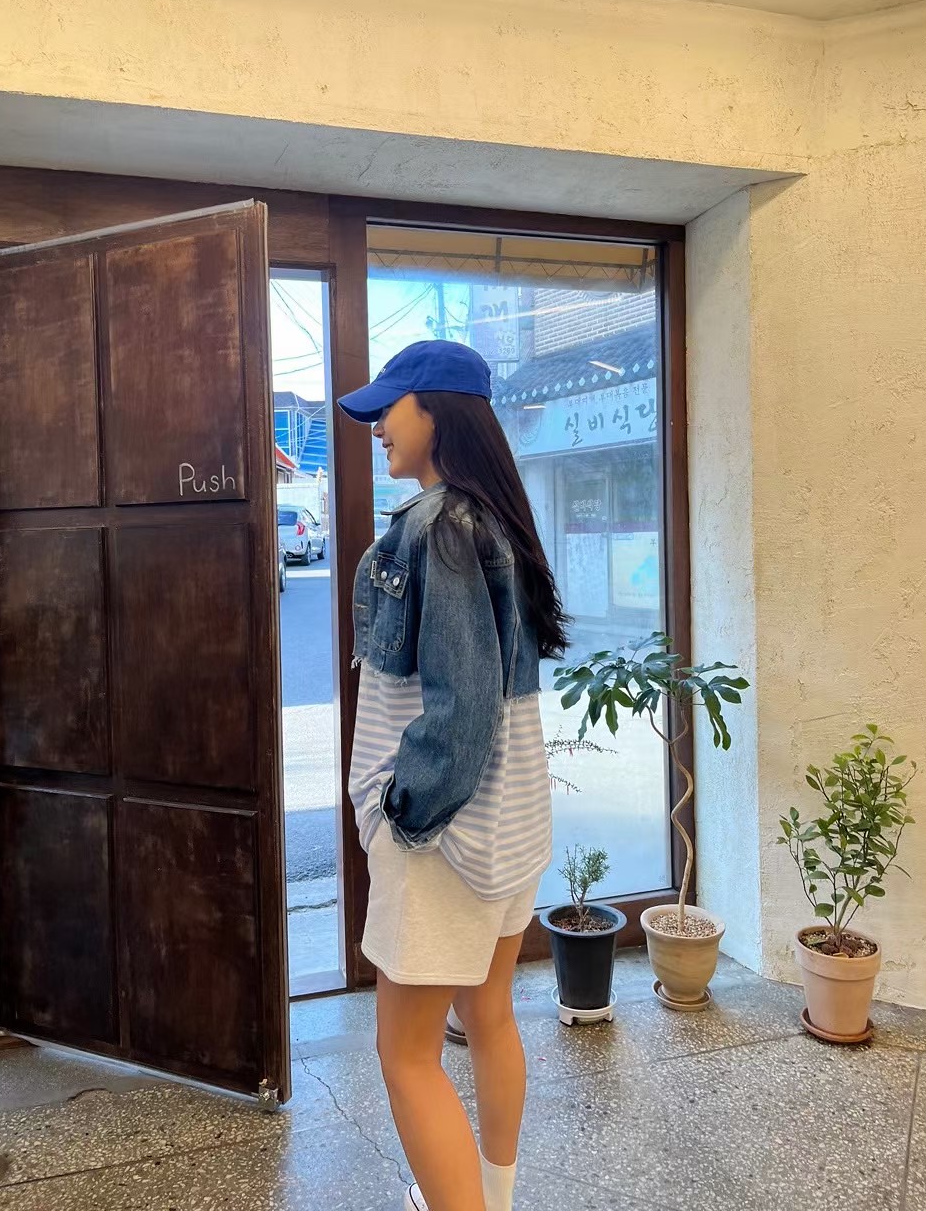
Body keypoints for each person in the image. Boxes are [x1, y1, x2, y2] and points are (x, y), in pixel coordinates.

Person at [338, 340, 570, 1211]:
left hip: (444, 837)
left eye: (389, 407)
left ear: (436, 410)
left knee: (406, 1055)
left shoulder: (435, 528)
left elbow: (461, 710)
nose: (376, 427)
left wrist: (399, 812)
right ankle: (491, 1196)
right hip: (510, 826)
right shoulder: (497, 521)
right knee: (490, 1013)